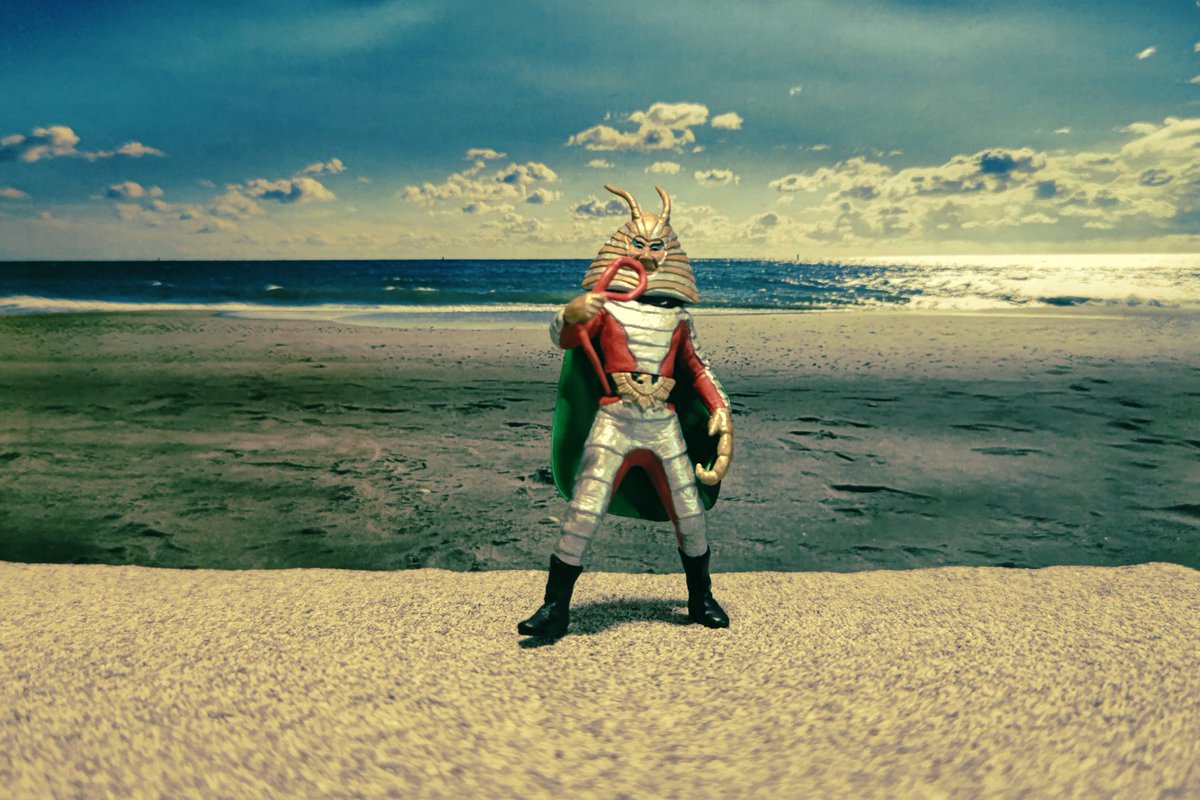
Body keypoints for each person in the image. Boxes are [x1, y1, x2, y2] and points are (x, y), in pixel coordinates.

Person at [518, 184, 734, 639]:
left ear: (670, 253)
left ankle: (701, 597)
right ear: (623, 247)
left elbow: (695, 367)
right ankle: (555, 607)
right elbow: (565, 338)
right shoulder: (606, 308)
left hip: (663, 424)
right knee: (583, 511)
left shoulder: (678, 319)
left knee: (689, 514)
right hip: (614, 421)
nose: (648, 255)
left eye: (657, 247)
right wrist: (571, 313)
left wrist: (718, 406)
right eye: (639, 244)